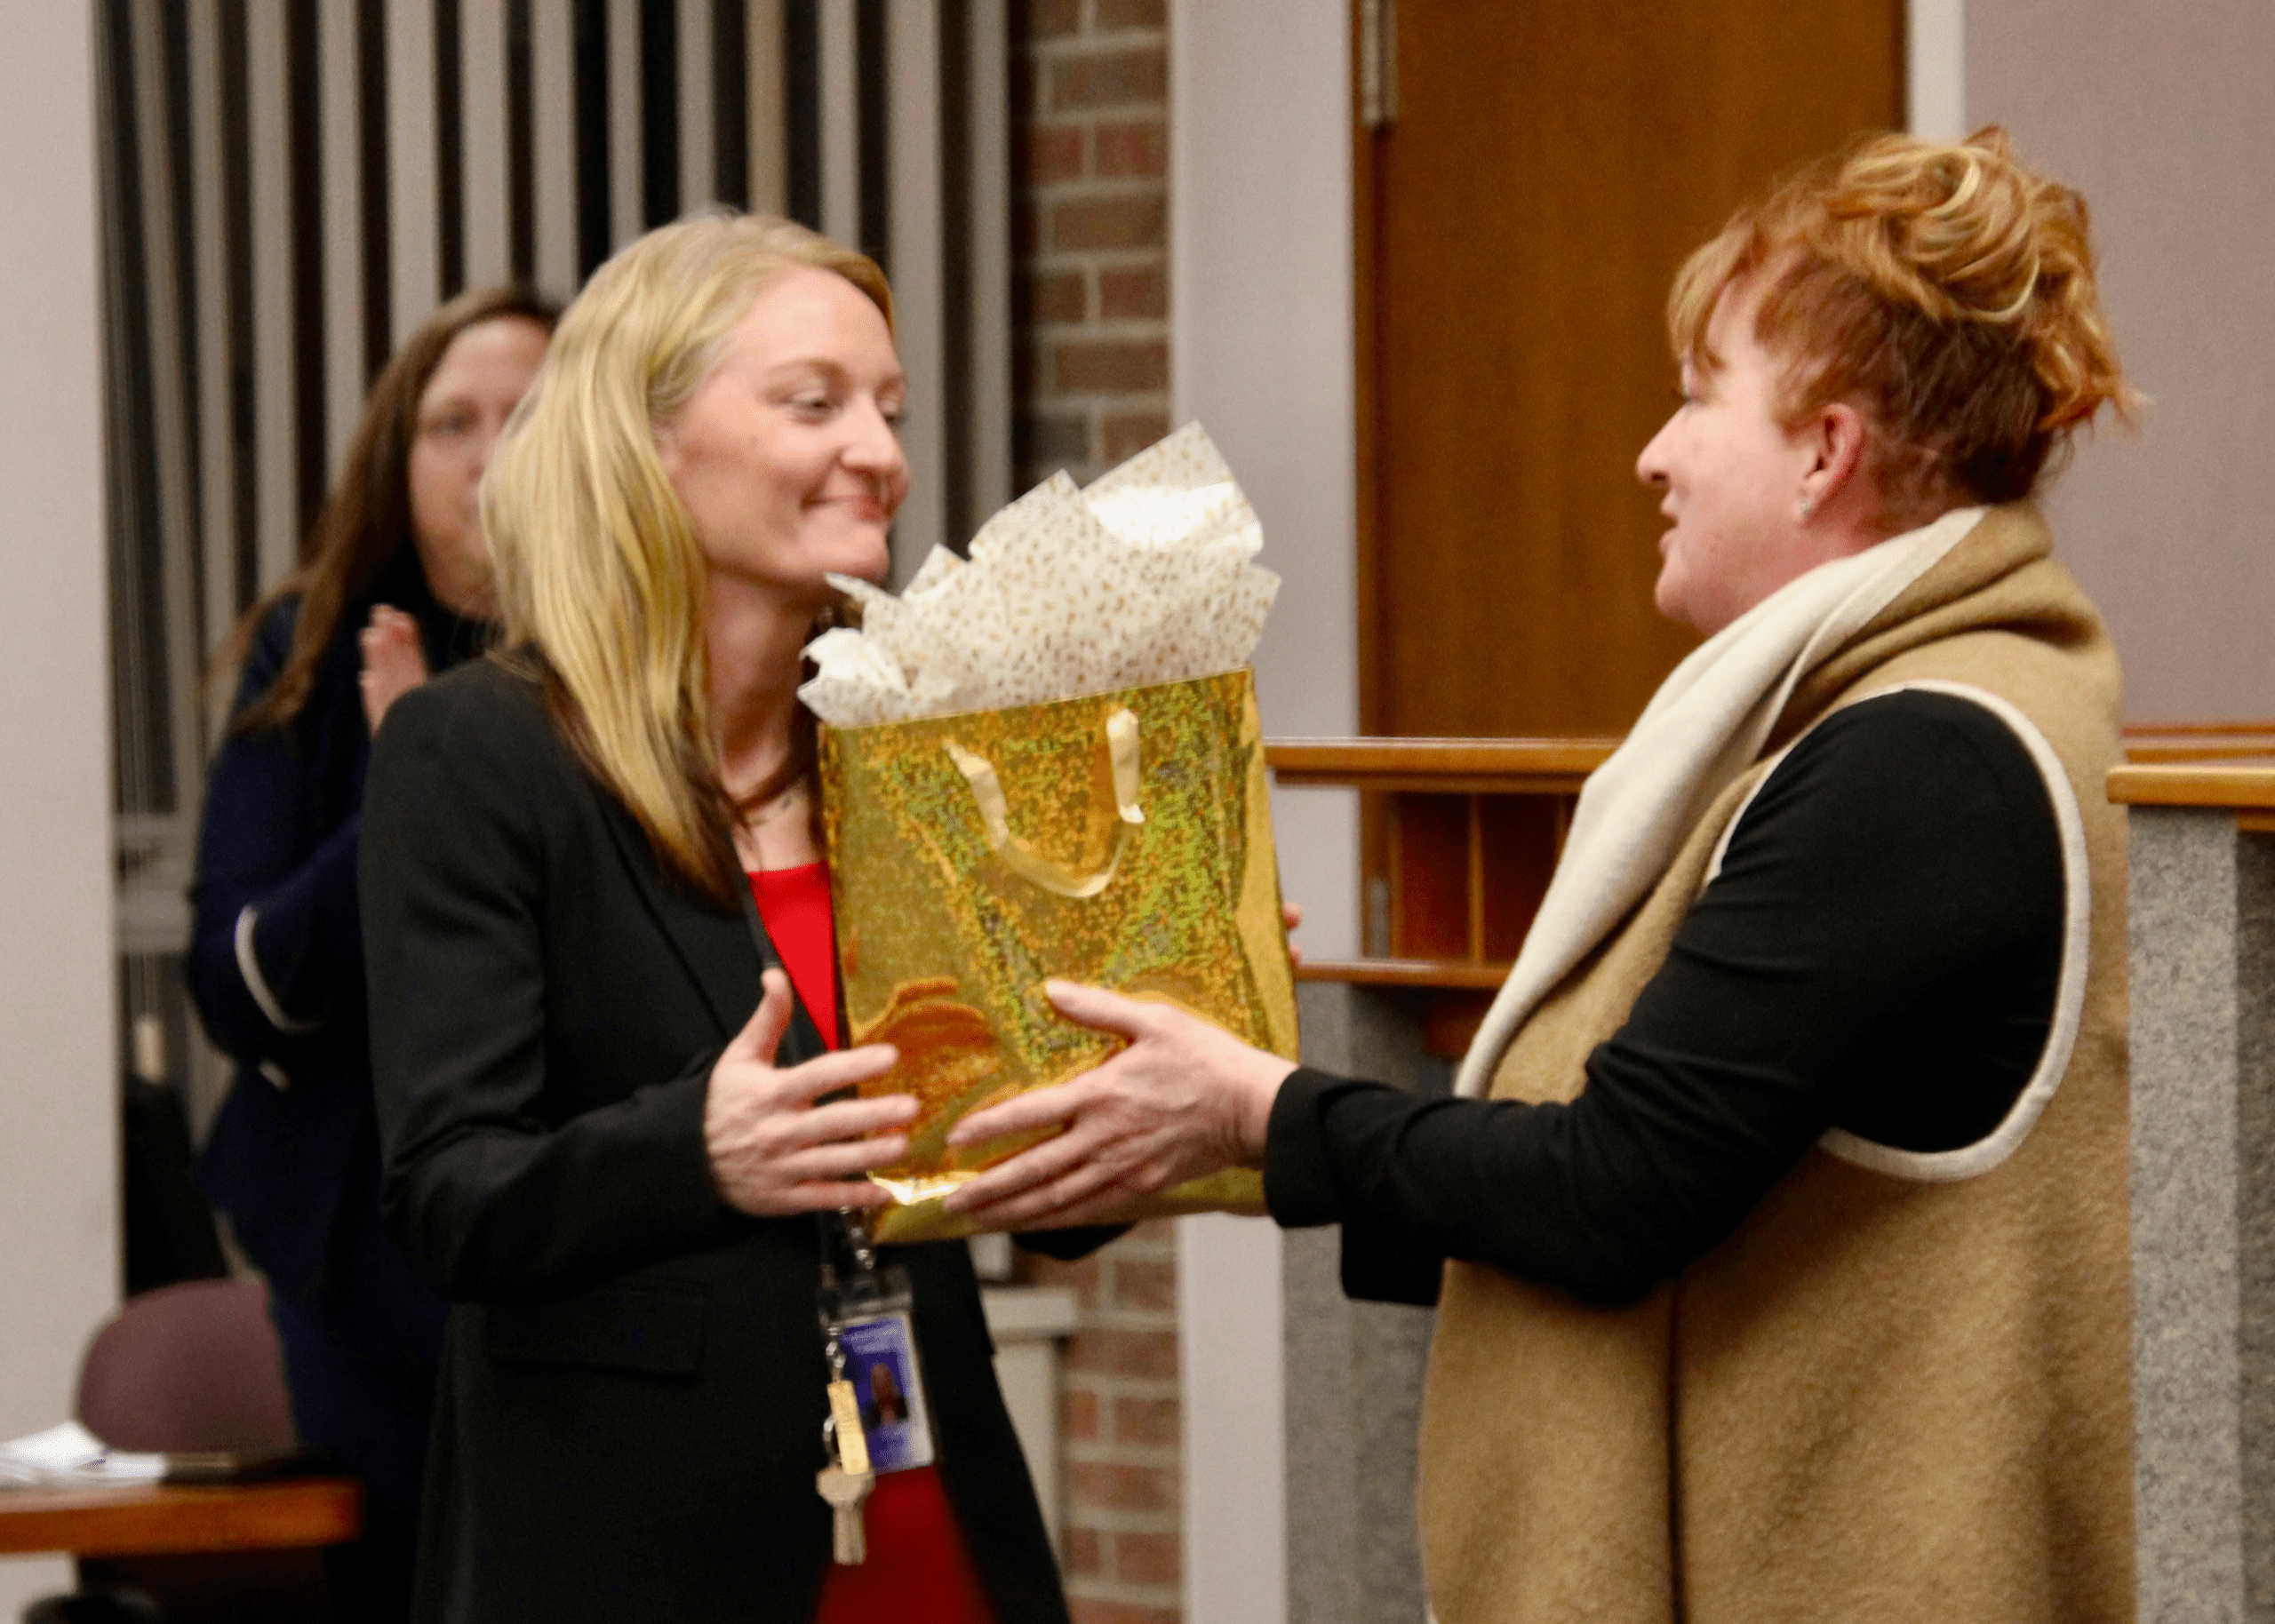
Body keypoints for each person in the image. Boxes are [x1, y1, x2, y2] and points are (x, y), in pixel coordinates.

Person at [943, 128, 2139, 1621]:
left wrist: (1261, 1112)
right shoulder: (1953, 705)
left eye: (1698, 394)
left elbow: (1610, 1189)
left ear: (1825, 453)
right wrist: (1244, 1124)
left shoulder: (1919, 758)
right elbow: (1699, 1175)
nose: (1654, 452)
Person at [359, 214, 1102, 1624]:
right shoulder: (479, 755)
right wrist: (692, 1151)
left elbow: (1038, 1203)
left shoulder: (915, 750)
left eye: (888, 408)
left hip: (935, 1534)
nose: (879, 452)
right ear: (645, 445)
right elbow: (451, 1198)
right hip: (632, 1559)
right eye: (814, 403)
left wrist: (1148, 1036)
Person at [187, 285, 555, 1621]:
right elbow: (239, 985)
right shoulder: (313, 646)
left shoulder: (629, 654)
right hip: (359, 1245)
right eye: (452, 424)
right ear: (396, 458)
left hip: (575, 1236)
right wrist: (407, 782)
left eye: (526, 418)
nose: (490, 456)